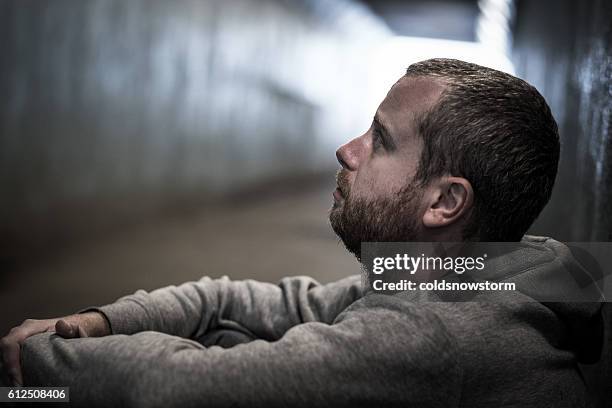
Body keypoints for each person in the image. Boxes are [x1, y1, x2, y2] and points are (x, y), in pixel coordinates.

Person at [0, 58, 604, 407]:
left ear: (445, 202)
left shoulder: (431, 336)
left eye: (381, 141)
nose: (346, 151)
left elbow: (180, 388)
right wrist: (104, 322)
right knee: (236, 334)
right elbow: (266, 303)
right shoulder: (491, 270)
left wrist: (39, 362)